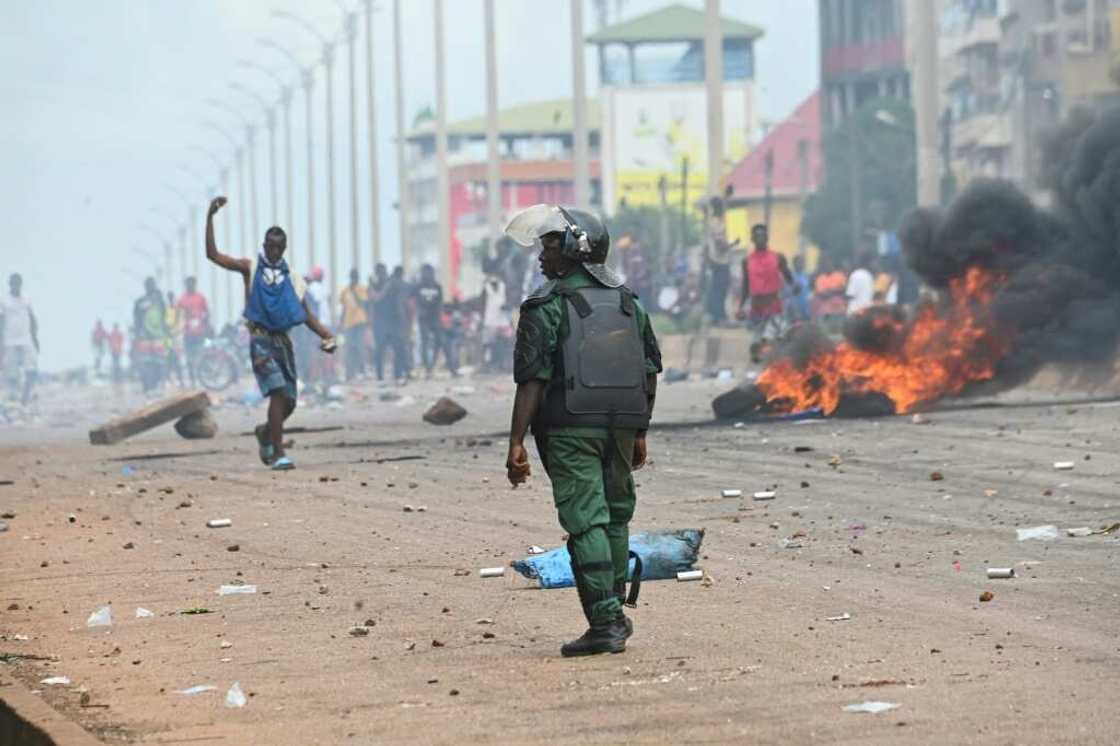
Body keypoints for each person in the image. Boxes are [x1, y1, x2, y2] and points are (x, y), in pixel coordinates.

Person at [504, 204, 662, 657]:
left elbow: (531, 378)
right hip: (620, 426)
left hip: (569, 429)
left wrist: (516, 441)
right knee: (615, 516)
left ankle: (607, 621)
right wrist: (640, 430)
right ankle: (612, 613)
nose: (541, 256)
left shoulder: (545, 305)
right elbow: (649, 370)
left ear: (576, 249)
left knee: (587, 520)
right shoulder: (629, 302)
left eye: (549, 245)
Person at [204, 196, 336, 470]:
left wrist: (326, 335)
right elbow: (214, 255)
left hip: (282, 342)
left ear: (284, 248)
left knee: (289, 402)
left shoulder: (293, 279)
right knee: (277, 393)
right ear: (264, 246)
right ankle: (277, 452)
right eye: (270, 246)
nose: (274, 251)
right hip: (261, 340)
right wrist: (210, 217)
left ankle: (266, 433)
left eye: (279, 247)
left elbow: (306, 315)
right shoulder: (250, 268)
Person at [736, 224, 793, 363]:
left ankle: (776, 363)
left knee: (772, 337)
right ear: (752, 239)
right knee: (756, 342)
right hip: (756, 307)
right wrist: (741, 307)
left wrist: (794, 285)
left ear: (767, 238)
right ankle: (761, 360)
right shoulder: (746, 261)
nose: (760, 238)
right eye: (757, 235)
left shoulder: (777, 257)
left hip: (774, 305)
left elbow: (788, 275)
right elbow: (745, 285)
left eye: (763, 235)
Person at [0, 274, 40, 405]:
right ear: (10, 284)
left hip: (26, 340)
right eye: (14, 284)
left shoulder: (26, 299)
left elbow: (33, 319)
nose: (16, 286)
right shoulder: (4, 301)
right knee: (11, 373)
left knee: (32, 370)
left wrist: (35, 339)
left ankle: (25, 396)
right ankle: (13, 397)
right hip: (9, 341)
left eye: (18, 284)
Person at [413, 264, 445, 378]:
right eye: (425, 272)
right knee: (425, 342)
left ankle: (432, 364)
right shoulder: (418, 286)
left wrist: (440, 317)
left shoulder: (438, 287)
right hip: (423, 319)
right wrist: (419, 310)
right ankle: (427, 368)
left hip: (435, 318)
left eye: (429, 272)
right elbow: (414, 301)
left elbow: (440, 302)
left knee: (439, 341)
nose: (427, 274)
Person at [177, 277, 210, 385]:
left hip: (200, 333)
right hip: (188, 334)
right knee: (189, 357)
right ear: (186, 285)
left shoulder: (201, 298)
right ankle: (192, 380)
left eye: (192, 283)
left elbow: (207, 313)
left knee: (200, 356)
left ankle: (201, 377)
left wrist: (206, 325)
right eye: (188, 284)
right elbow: (178, 315)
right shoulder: (182, 299)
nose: (190, 286)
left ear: (195, 284)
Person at [339, 268, 369, 381]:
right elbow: (343, 307)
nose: (354, 279)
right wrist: (340, 322)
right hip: (348, 323)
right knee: (349, 348)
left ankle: (362, 371)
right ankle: (349, 373)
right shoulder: (344, 290)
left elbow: (362, 303)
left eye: (355, 277)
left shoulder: (361, 289)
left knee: (360, 347)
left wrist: (353, 291)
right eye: (352, 276)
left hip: (360, 322)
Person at [812, 256, 848, 328]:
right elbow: (822, 294)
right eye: (825, 264)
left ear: (832, 264)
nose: (827, 265)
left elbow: (844, 289)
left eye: (829, 263)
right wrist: (836, 290)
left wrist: (830, 291)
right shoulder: (820, 278)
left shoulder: (840, 276)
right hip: (826, 312)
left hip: (839, 310)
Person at [165, 291, 186, 387]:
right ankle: (169, 379)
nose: (170, 299)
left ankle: (180, 380)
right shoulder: (165, 310)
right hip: (168, 338)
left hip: (177, 338)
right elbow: (164, 322)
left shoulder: (178, 310)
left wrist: (177, 331)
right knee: (169, 359)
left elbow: (182, 323)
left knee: (176, 359)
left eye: (171, 297)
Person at [786, 255, 812, 324]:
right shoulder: (790, 276)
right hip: (794, 305)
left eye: (802, 262)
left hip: (805, 305)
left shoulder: (805, 276)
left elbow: (808, 290)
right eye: (799, 262)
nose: (801, 264)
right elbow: (789, 292)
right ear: (794, 264)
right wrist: (795, 289)